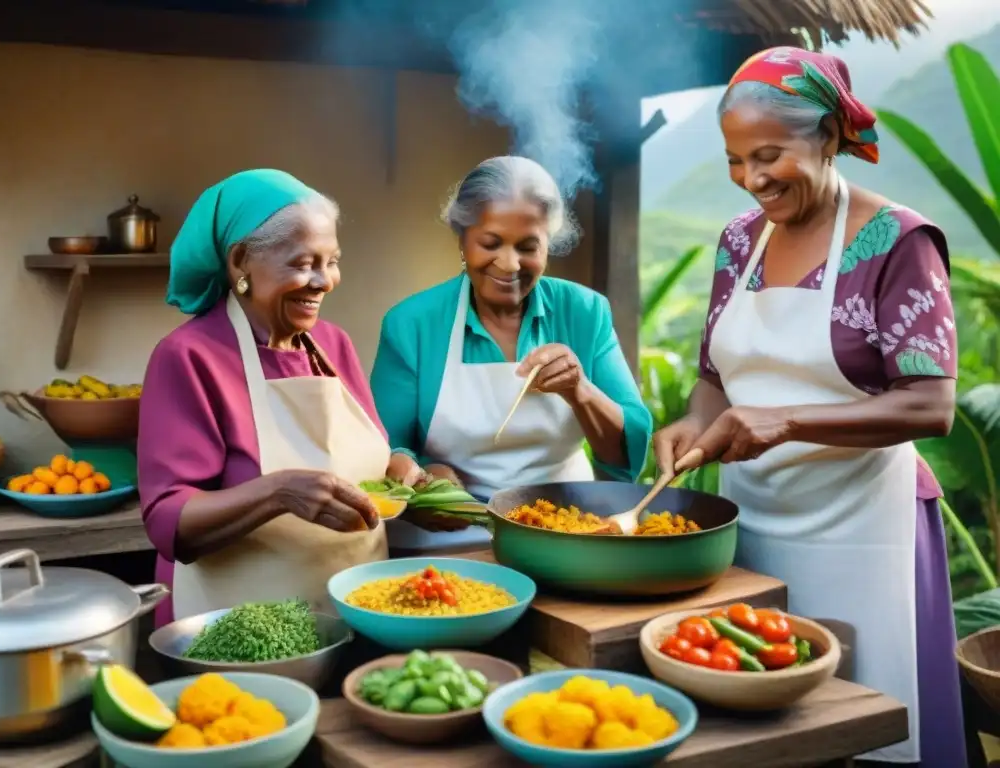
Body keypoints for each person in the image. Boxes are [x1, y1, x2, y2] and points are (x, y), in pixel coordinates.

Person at [652, 48, 964, 766]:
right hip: (752, 531)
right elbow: (715, 377)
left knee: (870, 726)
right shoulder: (738, 241)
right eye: (735, 160)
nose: (751, 179)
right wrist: (695, 422)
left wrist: (786, 421)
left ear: (826, 136)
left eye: (768, 155)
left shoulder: (897, 243)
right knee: (762, 723)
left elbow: (930, 407)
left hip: (864, 531)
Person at [138, 169, 424, 627]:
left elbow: (366, 459)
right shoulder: (188, 358)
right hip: (241, 631)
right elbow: (168, 520)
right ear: (240, 262)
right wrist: (279, 493)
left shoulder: (333, 345)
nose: (325, 280)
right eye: (302, 262)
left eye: (331, 260)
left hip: (358, 615)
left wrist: (397, 469)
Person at [370, 155, 653, 551]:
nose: (509, 264)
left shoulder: (585, 312)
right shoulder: (412, 324)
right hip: (450, 537)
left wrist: (581, 391)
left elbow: (627, 456)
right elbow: (384, 445)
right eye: (490, 243)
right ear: (462, 239)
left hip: (567, 530)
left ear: (548, 245)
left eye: (528, 246)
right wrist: (424, 475)